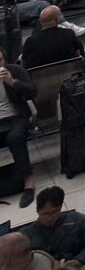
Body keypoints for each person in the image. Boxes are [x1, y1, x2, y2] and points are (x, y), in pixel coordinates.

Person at [21, 188, 85, 267]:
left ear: (60, 208)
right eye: (45, 213)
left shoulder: (76, 220)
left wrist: (79, 260)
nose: (50, 217)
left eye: (55, 212)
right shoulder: (26, 235)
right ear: (38, 211)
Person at [0, 57, 30, 208]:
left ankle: (28, 183)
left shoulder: (14, 70)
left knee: (15, 137)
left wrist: (12, 82)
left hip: (17, 116)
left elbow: (32, 92)